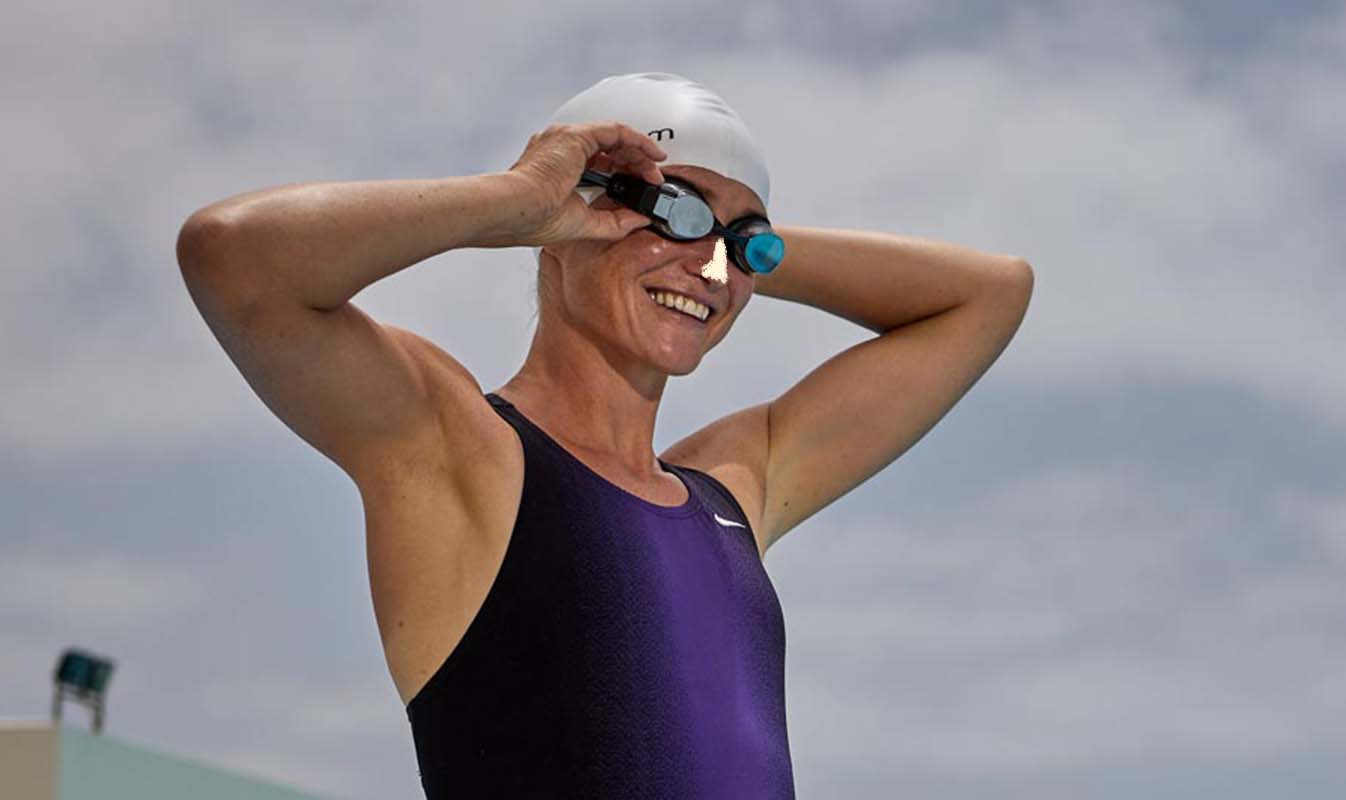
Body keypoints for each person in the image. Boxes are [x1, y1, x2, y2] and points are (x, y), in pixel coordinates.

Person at [176, 72, 1033, 798]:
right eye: (673, 213)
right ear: (568, 223)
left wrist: (732, 238)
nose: (709, 271)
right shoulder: (458, 450)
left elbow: (991, 294)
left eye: (736, 243)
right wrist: (517, 200)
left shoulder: (732, 487)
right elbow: (234, 255)